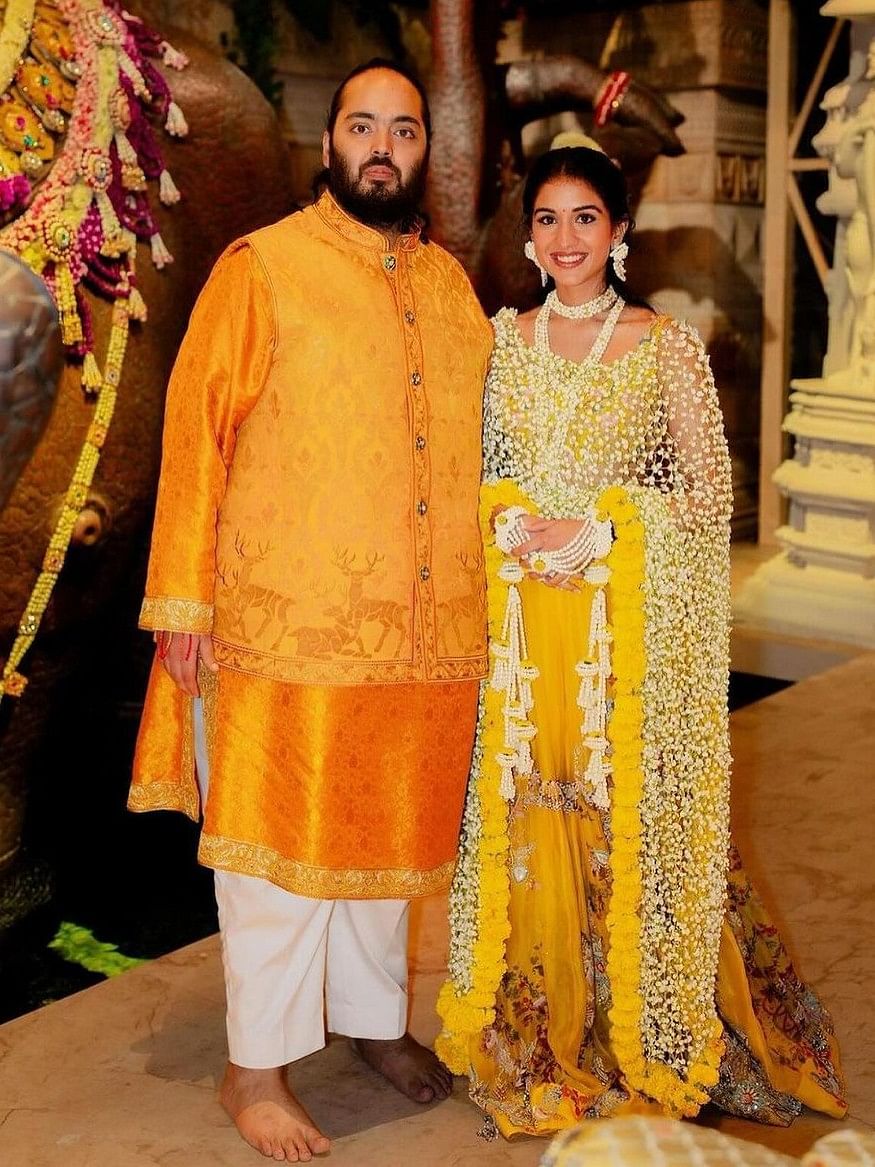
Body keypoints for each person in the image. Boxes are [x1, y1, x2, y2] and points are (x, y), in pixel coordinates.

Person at [435, 136, 847, 1138]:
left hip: (623, 639)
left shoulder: (663, 347)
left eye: (584, 217)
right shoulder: (500, 341)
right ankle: (541, 1038)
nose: (564, 236)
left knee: (631, 825)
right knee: (532, 820)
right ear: (528, 237)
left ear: (617, 233)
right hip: (525, 633)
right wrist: (503, 524)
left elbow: (708, 500)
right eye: (546, 218)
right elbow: (468, 474)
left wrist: (606, 531)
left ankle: (646, 1032)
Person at [129, 59, 492, 1162]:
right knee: (277, 859)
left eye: (403, 130)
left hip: (426, 633)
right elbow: (196, 434)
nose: (383, 146)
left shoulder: (449, 287)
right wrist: (181, 604)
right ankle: (254, 1070)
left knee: (392, 850)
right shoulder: (264, 268)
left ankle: (374, 1024)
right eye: (361, 126)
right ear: (326, 142)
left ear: (423, 150)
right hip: (281, 626)